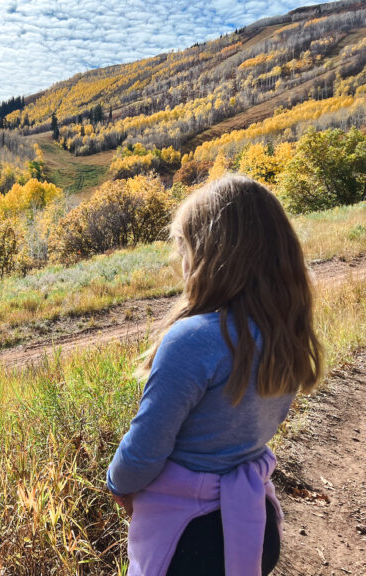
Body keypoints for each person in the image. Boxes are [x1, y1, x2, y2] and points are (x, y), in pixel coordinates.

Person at [106, 174, 323, 576]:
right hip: (255, 524)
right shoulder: (283, 332)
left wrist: (117, 482)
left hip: (190, 540)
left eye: (185, 248)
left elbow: (144, 451)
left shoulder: (193, 340)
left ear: (212, 255)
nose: (182, 263)